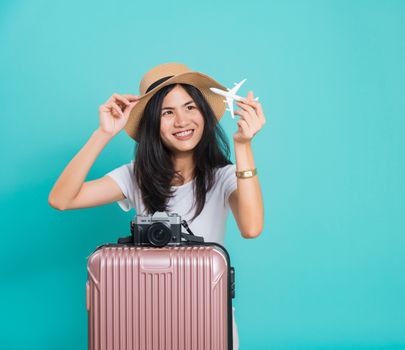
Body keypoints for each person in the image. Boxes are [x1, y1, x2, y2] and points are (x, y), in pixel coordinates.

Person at [48, 62, 266, 350]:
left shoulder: (222, 176)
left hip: (209, 322)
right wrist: (103, 134)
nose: (182, 121)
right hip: (146, 323)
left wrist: (243, 145)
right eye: (167, 112)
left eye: (190, 107)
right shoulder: (136, 175)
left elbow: (251, 228)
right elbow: (61, 199)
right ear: (153, 122)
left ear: (203, 112)